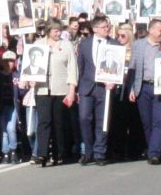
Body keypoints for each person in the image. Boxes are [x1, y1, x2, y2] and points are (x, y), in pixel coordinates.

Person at [28, 20, 77, 166]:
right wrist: (31, 79)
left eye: (60, 30)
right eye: (55, 31)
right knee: (44, 121)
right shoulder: (38, 44)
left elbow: (72, 69)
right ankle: (42, 153)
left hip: (60, 89)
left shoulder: (66, 45)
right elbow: (31, 65)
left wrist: (71, 90)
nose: (58, 33)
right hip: (42, 89)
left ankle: (58, 152)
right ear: (49, 31)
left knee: (58, 122)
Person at [127, 18, 161, 164]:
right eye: (160, 30)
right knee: (147, 121)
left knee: (158, 120)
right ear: (151, 30)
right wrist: (132, 89)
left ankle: (154, 153)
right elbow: (132, 68)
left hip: (160, 87)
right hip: (143, 86)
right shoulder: (138, 45)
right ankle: (153, 147)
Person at [74, 16, 116, 166]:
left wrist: (114, 82)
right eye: (105, 27)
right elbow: (80, 66)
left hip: (105, 88)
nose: (108, 29)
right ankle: (88, 150)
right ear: (95, 29)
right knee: (84, 118)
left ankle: (100, 153)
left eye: (108, 26)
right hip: (87, 87)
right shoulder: (84, 44)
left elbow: (117, 66)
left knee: (102, 121)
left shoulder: (114, 44)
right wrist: (77, 89)